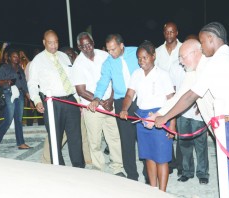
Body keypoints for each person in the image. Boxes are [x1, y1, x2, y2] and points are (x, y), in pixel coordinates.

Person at [153, 22, 229, 198]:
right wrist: (159, 114)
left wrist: (165, 118)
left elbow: (189, 96)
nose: (181, 62)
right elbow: (181, 95)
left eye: (183, 57)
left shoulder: (213, 63)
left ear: (210, 39)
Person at [119, 41, 175, 191]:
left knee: (161, 158)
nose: (141, 61)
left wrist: (172, 125)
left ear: (153, 56)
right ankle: (153, 189)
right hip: (142, 117)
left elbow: (172, 101)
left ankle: (162, 192)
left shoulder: (163, 74)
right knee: (148, 156)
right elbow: (129, 95)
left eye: (145, 57)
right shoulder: (136, 74)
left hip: (160, 116)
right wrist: (124, 109)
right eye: (139, 58)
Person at [88, 34, 142, 181]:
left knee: (143, 137)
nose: (111, 53)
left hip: (140, 100)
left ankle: (149, 172)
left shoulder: (137, 52)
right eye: (108, 50)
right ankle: (132, 175)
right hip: (121, 102)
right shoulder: (108, 63)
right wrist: (96, 98)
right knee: (126, 140)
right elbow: (103, 81)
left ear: (121, 45)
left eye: (113, 49)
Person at [28, 30, 84, 168]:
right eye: (50, 43)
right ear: (44, 42)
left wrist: (78, 100)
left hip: (70, 100)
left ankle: (79, 167)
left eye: (56, 42)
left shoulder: (64, 56)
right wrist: (37, 100)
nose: (53, 46)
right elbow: (32, 83)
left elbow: (71, 79)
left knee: (75, 137)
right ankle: (59, 168)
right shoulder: (38, 60)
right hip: (52, 103)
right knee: (55, 137)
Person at [72, 32, 123, 175]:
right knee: (95, 141)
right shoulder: (78, 63)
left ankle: (117, 167)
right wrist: (100, 102)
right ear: (79, 47)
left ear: (93, 42)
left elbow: (115, 78)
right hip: (92, 108)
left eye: (89, 44)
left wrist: (111, 100)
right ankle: (98, 169)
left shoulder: (104, 55)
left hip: (110, 104)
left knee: (114, 137)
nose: (87, 48)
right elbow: (81, 90)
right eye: (83, 46)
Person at [40, 46, 92, 166]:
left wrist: (78, 103)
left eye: (71, 54)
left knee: (79, 136)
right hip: (60, 104)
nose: (70, 57)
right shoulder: (59, 68)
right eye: (67, 55)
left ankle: (85, 160)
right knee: (55, 136)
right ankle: (47, 160)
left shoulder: (77, 66)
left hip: (78, 104)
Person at [168, 39, 210, 184]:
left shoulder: (203, 67)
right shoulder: (175, 66)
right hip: (182, 112)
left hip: (198, 113)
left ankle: (203, 173)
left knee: (200, 144)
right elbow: (175, 91)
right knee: (184, 144)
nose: (182, 60)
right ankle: (187, 171)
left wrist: (201, 104)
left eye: (184, 56)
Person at [155, 21, 183, 175]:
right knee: (166, 128)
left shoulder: (183, 48)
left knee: (179, 130)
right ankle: (170, 162)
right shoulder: (158, 51)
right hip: (164, 96)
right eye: (167, 32)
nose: (169, 35)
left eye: (172, 32)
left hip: (181, 95)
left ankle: (182, 165)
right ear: (163, 33)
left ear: (177, 32)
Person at [0, 49, 31, 152]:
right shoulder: (5, 67)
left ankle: (21, 143)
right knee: (8, 119)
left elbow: (24, 85)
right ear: (9, 58)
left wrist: (30, 99)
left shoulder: (20, 69)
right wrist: (7, 81)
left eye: (17, 56)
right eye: (14, 56)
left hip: (20, 94)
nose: (16, 58)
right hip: (9, 93)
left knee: (18, 119)